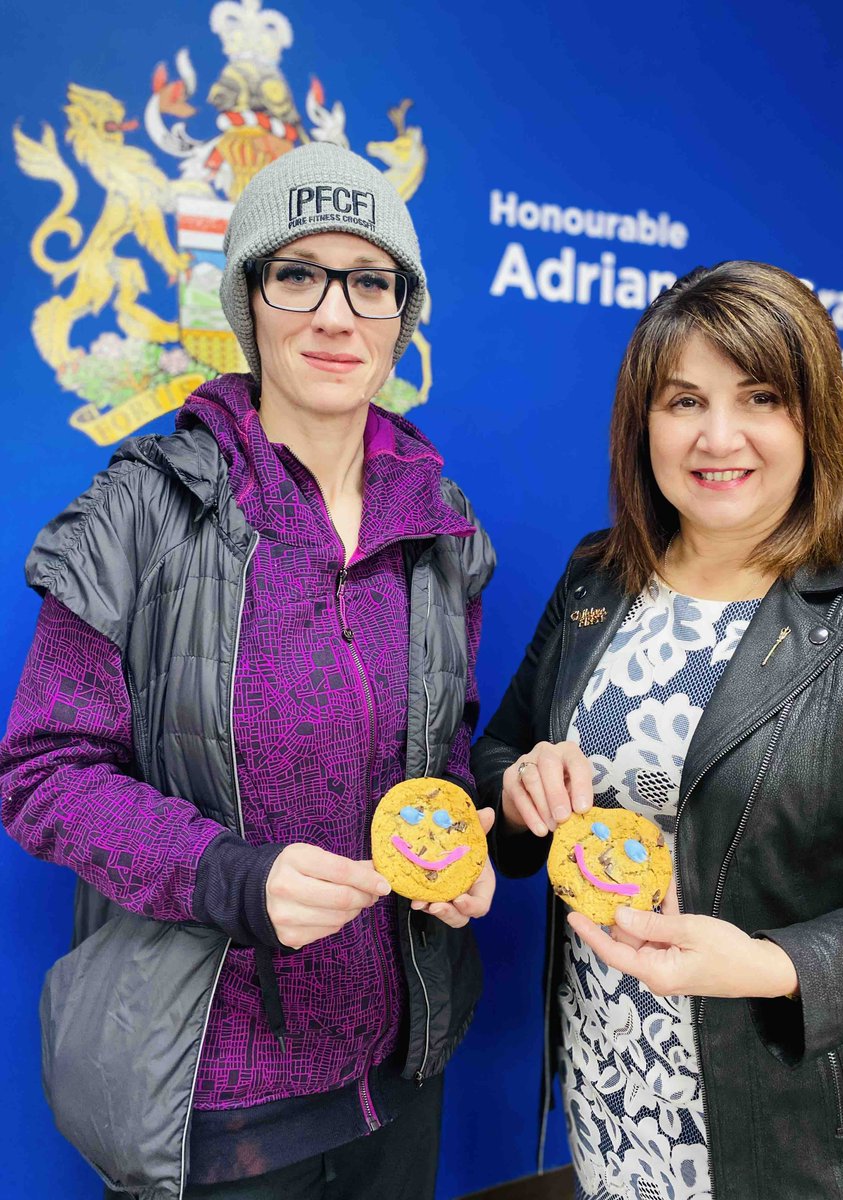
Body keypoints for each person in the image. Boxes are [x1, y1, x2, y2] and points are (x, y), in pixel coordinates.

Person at [0, 141, 495, 1200]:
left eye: (372, 281)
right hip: (216, 1106)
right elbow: (43, 774)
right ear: (250, 300)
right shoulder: (141, 509)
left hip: (402, 1079)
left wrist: (458, 836)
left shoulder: (443, 528)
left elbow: (442, 744)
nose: (336, 313)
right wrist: (231, 875)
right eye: (297, 273)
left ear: (403, 314)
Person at [472, 261, 843, 1200]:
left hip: (790, 1125)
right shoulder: (600, 577)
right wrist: (516, 787)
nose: (718, 436)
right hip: (610, 1086)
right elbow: (496, 759)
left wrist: (770, 964)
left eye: (760, 397)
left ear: (813, 420)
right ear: (643, 424)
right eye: (684, 401)